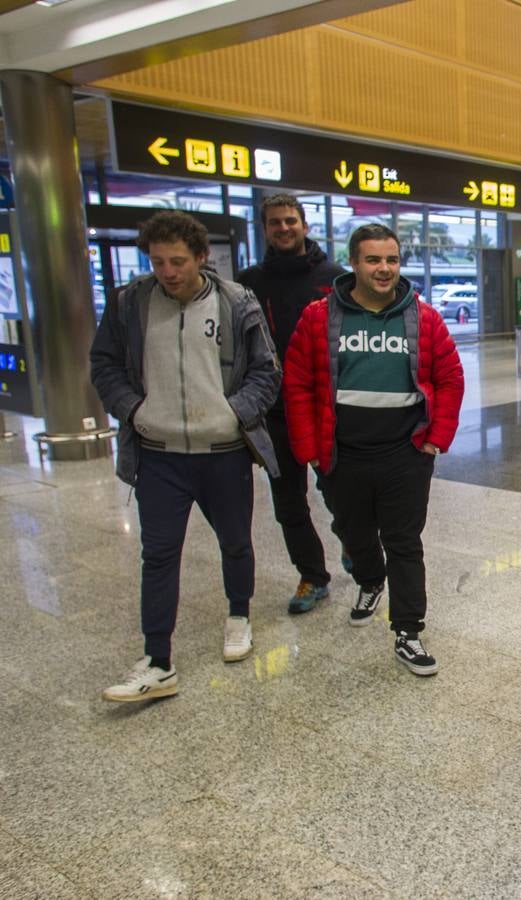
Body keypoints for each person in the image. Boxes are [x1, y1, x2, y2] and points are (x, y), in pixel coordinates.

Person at [90, 210, 281, 701]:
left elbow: (266, 371)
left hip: (223, 452)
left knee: (235, 542)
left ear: (202, 257)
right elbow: (105, 364)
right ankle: (158, 660)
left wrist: (231, 413)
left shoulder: (236, 302)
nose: (168, 272)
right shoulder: (130, 304)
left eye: (177, 261)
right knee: (157, 555)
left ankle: (239, 613)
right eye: (157, 262)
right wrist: (133, 411)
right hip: (159, 455)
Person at [282, 224, 463, 676]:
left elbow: (450, 379)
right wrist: (307, 446)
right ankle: (369, 579)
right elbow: (298, 383)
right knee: (352, 531)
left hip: (405, 454)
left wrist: (436, 439)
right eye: (373, 260)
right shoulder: (319, 318)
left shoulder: (423, 318)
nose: (384, 269)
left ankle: (408, 631)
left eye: (392, 260)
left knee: (403, 542)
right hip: (342, 454)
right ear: (354, 263)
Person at [237, 194, 346, 614]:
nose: (283, 228)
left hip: (324, 410)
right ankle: (312, 576)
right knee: (288, 502)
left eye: (290, 220)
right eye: (274, 223)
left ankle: (354, 544)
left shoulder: (334, 278)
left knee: (339, 492)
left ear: (304, 224)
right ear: (265, 229)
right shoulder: (249, 283)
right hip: (274, 412)